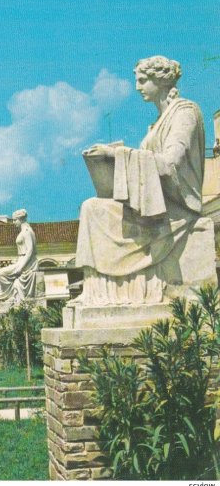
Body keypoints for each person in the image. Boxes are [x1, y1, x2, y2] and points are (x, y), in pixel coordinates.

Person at [77, 56, 208, 304]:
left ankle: (105, 293)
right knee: (92, 206)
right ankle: (96, 290)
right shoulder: (157, 123)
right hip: (154, 205)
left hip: (174, 207)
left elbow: (170, 163)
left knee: (92, 210)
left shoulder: (185, 113)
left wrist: (115, 154)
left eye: (142, 80)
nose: (137, 87)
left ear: (160, 80)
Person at [0, 209, 38, 302]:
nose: (13, 222)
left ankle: (4, 295)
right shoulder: (24, 231)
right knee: (0, 273)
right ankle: (6, 295)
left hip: (27, 264)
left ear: (21, 219)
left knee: (0, 273)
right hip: (21, 260)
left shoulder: (27, 231)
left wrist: (21, 267)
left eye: (15, 220)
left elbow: (30, 251)